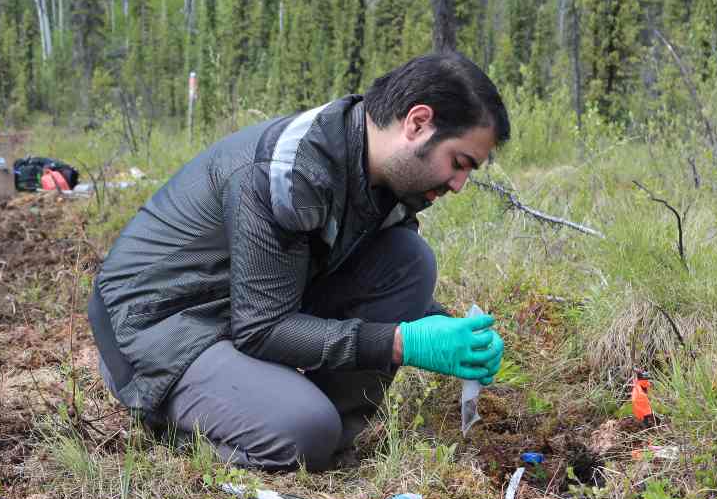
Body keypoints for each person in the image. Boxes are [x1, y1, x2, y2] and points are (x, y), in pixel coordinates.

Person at [88, 52, 509, 470]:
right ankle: (205, 425)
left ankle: (320, 434)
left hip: (238, 306)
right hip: (158, 327)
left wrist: (441, 327)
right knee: (304, 430)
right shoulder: (290, 171)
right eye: (458, 163)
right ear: (417, 123)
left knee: (407, 258)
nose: (458, 184)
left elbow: (358, 279)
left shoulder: (381, 174)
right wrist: (403, 342)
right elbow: (261, 329)